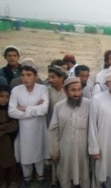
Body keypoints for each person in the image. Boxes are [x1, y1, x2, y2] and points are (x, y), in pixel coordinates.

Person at [8, 59, 49, 187]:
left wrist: (25, 108)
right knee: (25, 152)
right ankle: (26, 177)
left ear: (36, 76)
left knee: (39, 152)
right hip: (23, 130)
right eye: (23, 75)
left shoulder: (43, 89)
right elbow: (11, 112)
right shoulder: (16, 90)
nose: (25, 78)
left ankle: (40, 176)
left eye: (29, 75)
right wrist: (34, 109)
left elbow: (44, 109)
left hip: (39, 129)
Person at [48, 77, 90, 188]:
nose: (77, 93)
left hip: (83, 150)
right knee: (65, 175)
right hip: (65, 149)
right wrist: (54, 151)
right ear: (66, 91)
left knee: (84, 174)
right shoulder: (59, 107)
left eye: (79, 89)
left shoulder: (89, 105)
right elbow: (53, 130)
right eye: (73, 90)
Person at [88, 65, 111, 188]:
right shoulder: (97, 99)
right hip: (101, 145)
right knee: (99, 173)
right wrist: (94, 149)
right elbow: (92, 126)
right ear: (107, 83)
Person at [47, 64, 68, 187]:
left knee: (65, 153)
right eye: (49, 77)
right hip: (52, 127)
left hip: (66, 128)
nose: (50, 80)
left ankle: (66, 177)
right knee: (55, 153)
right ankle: (55, 179)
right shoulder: (48, 90)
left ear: (61, 78)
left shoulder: (68, 91)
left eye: (53, 77)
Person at [0, 85, 19, 188]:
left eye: (7, 97)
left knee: (11, 161)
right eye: (1, 96)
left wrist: (4, 128)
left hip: (8, 139)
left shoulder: (10, 110)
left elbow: (15, 124)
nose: (4, 99)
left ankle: (12, 180)